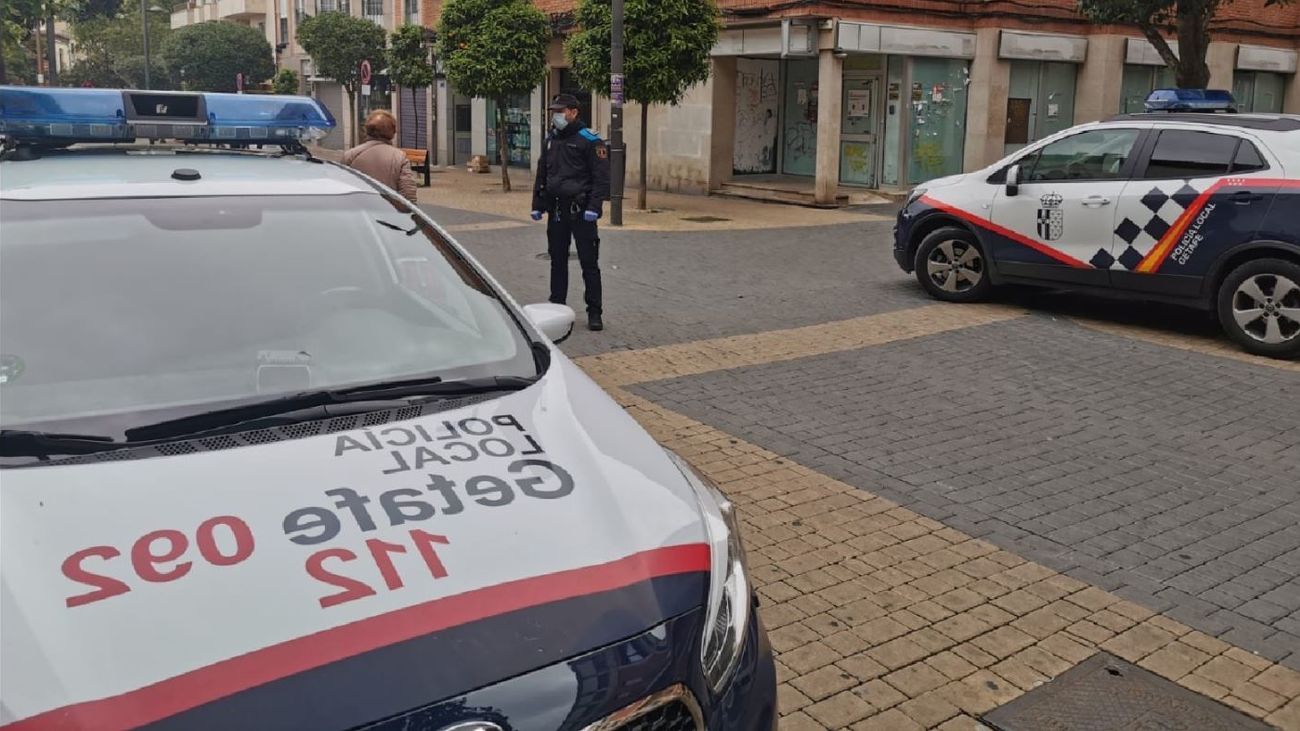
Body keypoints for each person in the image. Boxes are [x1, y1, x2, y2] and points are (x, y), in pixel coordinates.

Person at [531, 93, 611, 332]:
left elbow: (602, 179)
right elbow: (542, 173)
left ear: (574, 112)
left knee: (589, 262)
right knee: (557, 260)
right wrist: (537, 203)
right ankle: (557, 307)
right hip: (557, 210)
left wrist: (594, 208)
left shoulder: (589, 141)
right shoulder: (551, 140)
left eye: (560, 111)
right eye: (554, 112)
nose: (556, 116)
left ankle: (594, 311)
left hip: (582, 210)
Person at [343, 109, 417, 204]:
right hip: (387, 212)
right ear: (392, 132)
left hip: (359, 211)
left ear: (367, 130)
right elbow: (408, 194)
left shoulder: (350, 155)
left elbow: (343, 187)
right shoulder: (399, 157)